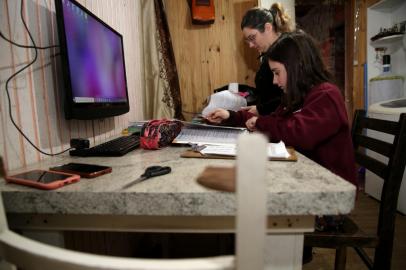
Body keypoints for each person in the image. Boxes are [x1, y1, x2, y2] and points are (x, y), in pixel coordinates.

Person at [206, 32, 357, 187]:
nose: (274, 81)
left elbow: (299, 133)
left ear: (297, 67)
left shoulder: (326, 95)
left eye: (277, 73)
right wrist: (231, 116)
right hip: (305, 175)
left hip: (330, 186)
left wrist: (260, 122)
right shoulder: (296, 96)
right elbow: (274, 121)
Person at [215, 3, 294, 116]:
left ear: (268, 28)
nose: (251, 45)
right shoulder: (268, 54)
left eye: (252, 38)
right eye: (248, 40)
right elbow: (270, 94)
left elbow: (292, 97)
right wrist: (258, 107)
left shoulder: (288, 52)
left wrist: (261, 109)